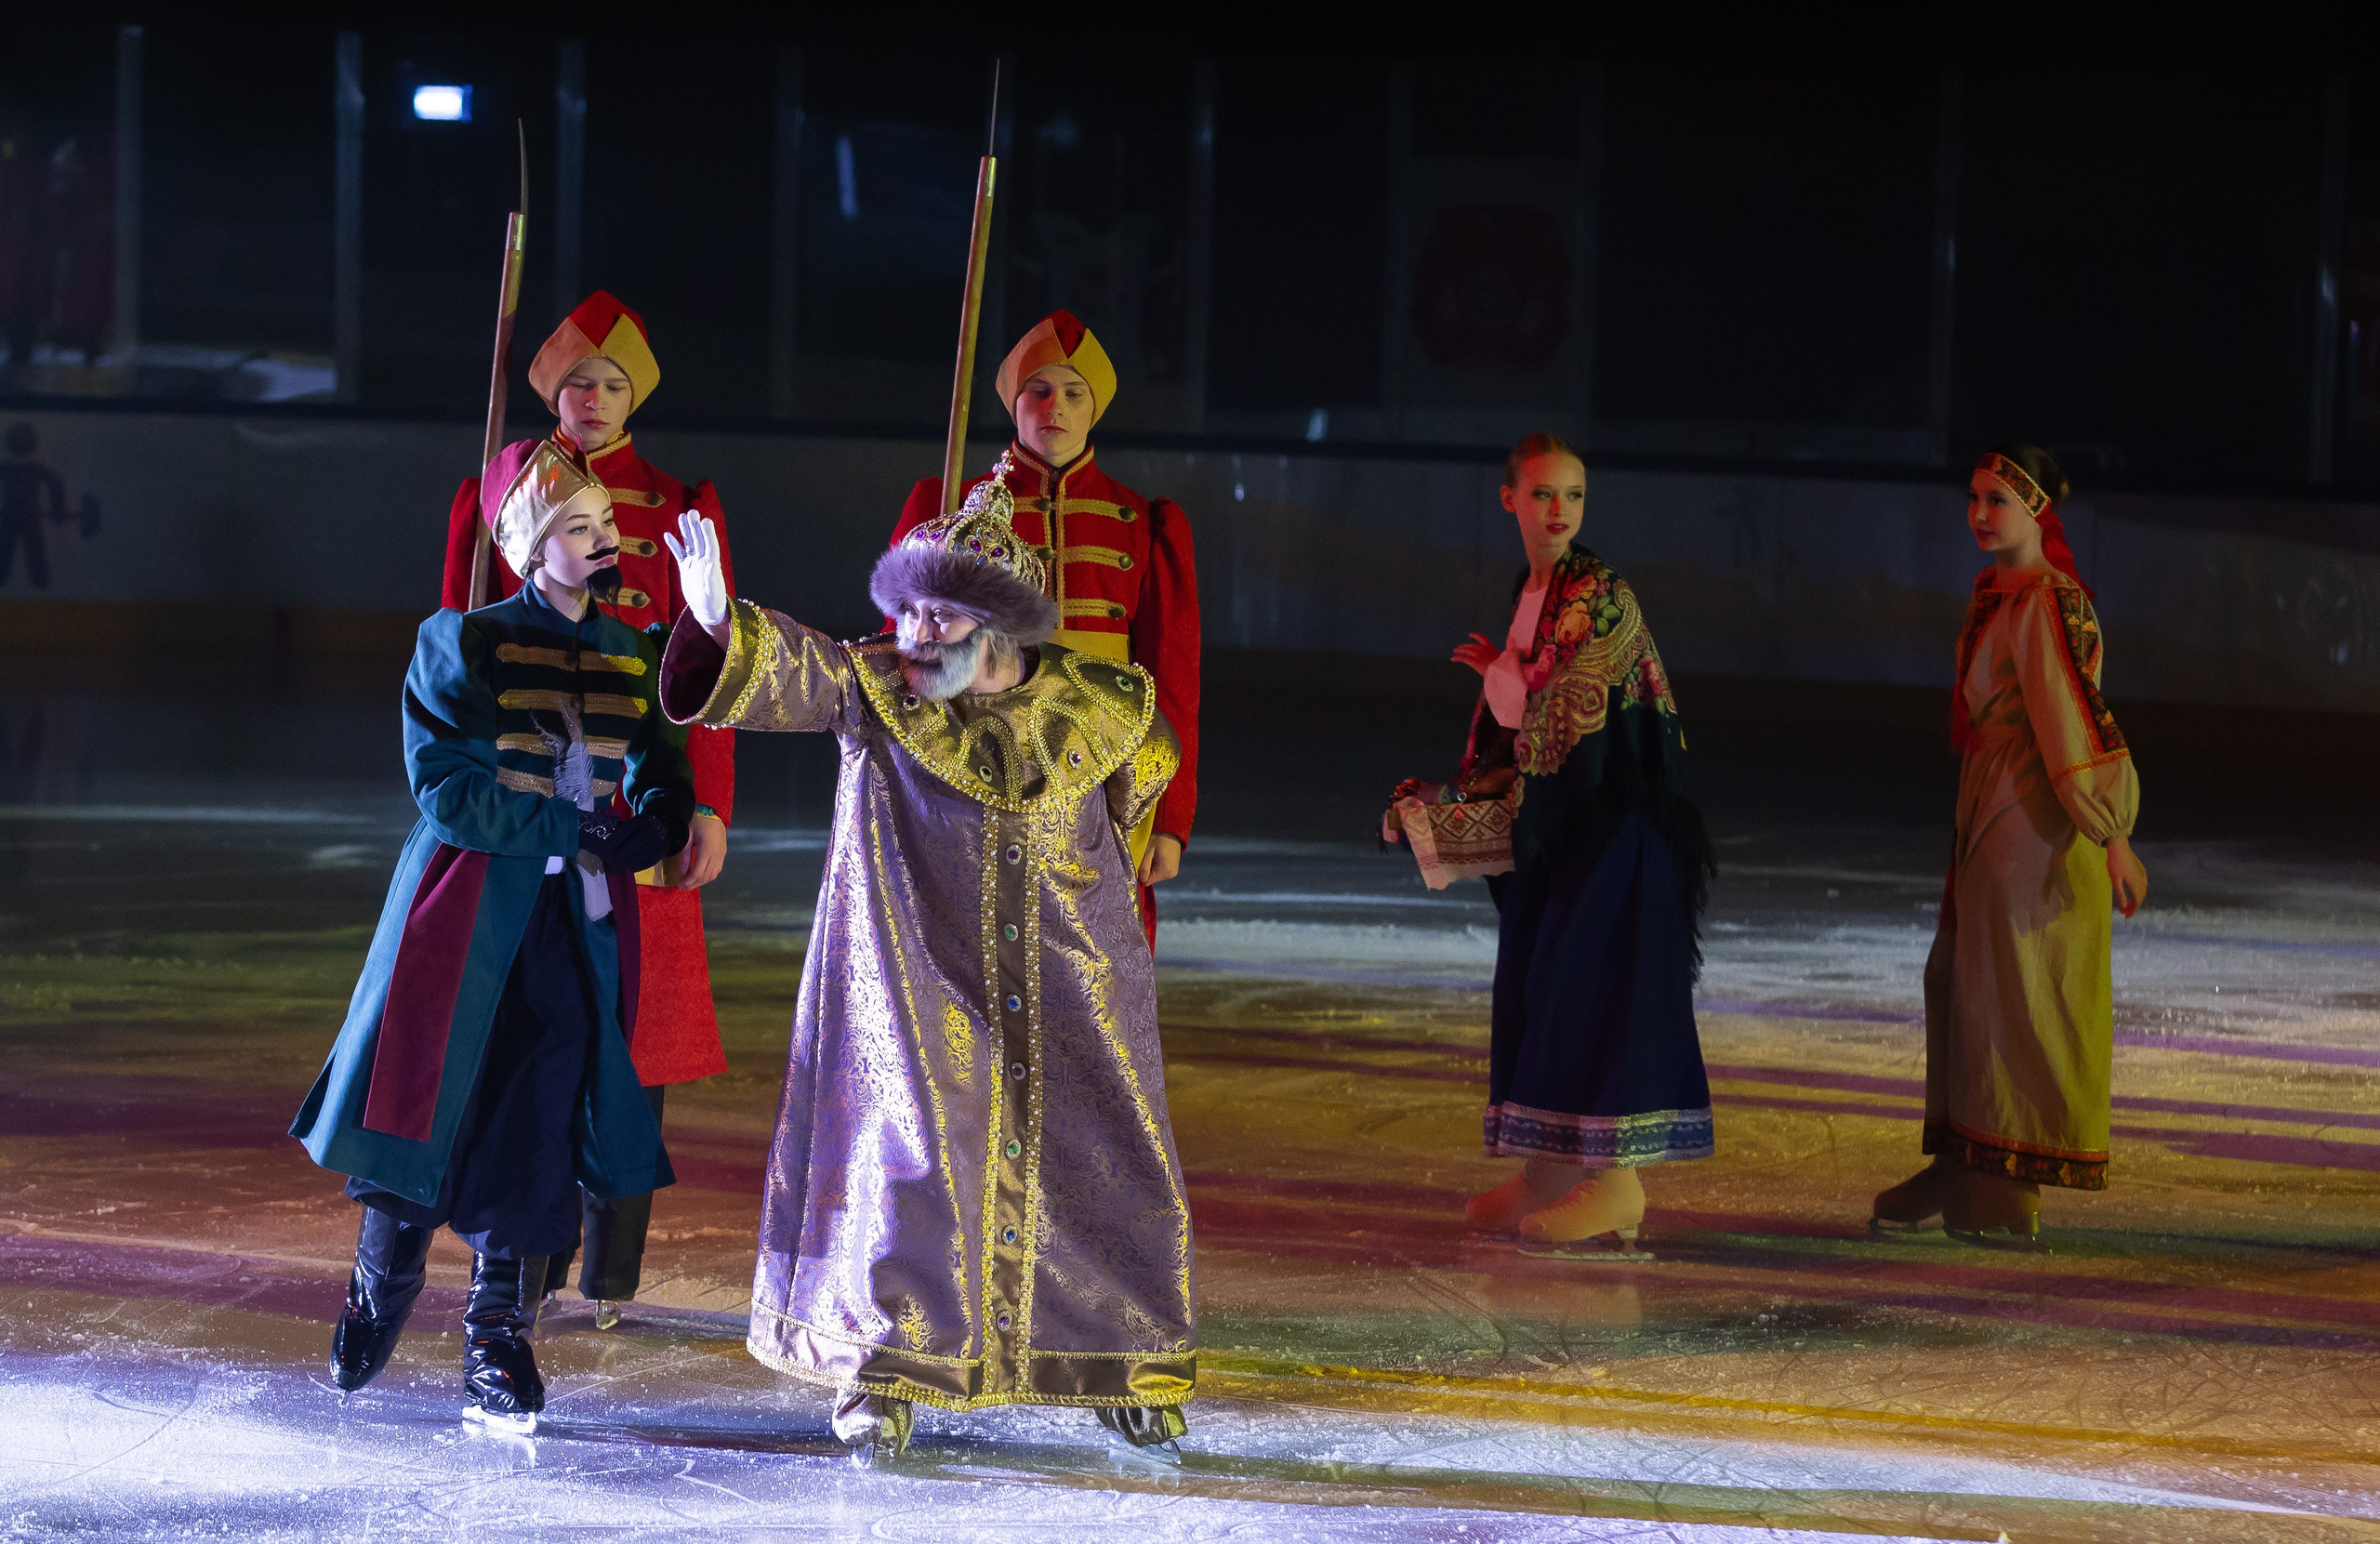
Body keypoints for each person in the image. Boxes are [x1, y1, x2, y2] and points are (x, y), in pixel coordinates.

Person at [657, 454, 1195, 1467]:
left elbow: (1132, 805)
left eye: (939, 616)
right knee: (907, 1155)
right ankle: (883, 1362)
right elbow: (802, 674)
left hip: (1071, 974)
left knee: (1097, 1157)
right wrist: (723, 622)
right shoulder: (876, 688)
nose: (913, 634)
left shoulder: (1106, 704)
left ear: (1000, 628)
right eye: (905, 612)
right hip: (916, 971)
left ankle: (1118, 1358)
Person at [291, 442, 693, 1432]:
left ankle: (496, 1334)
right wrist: (573, 826)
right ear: (530, 547)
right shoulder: (464, 643)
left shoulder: (633, 649)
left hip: (573, 923)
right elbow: (447, 787)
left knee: (541, 1114)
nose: (603, 540)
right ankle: (382, 1281)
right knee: (430, 1095)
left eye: (606, 523)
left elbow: (661, 761)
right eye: (577, 526)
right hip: (463, 910)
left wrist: (657, 815)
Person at [440, 291, 735, 1326]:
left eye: (612, 382)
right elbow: (463, 649)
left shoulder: (679, 501)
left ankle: (611, 1271)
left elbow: (706, 666)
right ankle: (523, 1258)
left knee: (634, 1030)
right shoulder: (502, 490)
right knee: (526, 1028)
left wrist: (706, 806)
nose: (594, 398)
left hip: (637, 798)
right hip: (528, 807)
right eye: (577, 381)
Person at [1387, 433, 1715, 1254]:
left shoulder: (1598, 593)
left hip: (1615, 827)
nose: (1559, 509)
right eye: (1542, 494)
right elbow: (1521, 721)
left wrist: (1503, 691)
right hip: (1570, 828)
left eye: (1573, 494)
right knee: (1537, 987)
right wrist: (1457, 792)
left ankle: (1618, 1181)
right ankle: (1549, 1169)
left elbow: (1567, 714)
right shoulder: (1534, 592)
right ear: (1510, 500)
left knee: (1590, 990)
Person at [1872, 445, 2145, 1245]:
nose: (1980, 514)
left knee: (2012, 986)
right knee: (1967, 978)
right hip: (1991, 799)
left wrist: (2112, 832)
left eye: (1998, 500)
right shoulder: (1999, 590)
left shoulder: (2049, 601)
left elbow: (2073, 718)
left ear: (2036, 510)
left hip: (2033, 813)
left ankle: (2007, 1179)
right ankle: (1965, 1155)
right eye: (1975, 497)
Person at [889, 310, 1198, 945]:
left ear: (1095, 408)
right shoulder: (949, 507)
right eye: (1040, 390)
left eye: (1074, 393)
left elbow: (1172, 680)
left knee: (1101, 951)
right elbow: (904, 659)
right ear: (1015, 403)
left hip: (1107, 772)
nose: (1056, 406)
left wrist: (1170, 818)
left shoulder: (1144, 522)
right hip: (983, 757)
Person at [0, 422, 69, 588]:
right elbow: (56, 486)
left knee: (28, 549)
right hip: (17, 516)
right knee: (10, 549)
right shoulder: (26, 468)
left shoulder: (23, 468)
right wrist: (58, 511)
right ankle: (38, 581)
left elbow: (56, 486)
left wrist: (58, 511)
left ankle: (39, 581)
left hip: (23, 517)